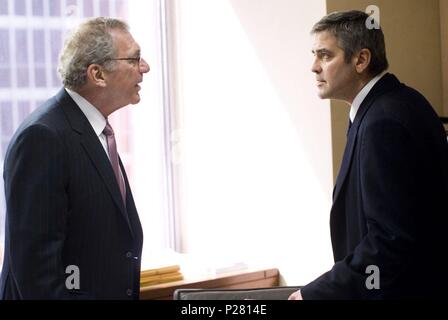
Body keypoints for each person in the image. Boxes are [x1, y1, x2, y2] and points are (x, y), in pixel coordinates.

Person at [289, 10, 448, 299]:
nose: (314, 67)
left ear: (361, 60)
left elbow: (389, 241)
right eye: (314, 55)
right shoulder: (400, 102)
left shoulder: (382, 121)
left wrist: (312, 295)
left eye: (325, 55)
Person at [0, 17, 149, 299]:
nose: (145, 68)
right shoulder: (42, 138)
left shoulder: (97, 131)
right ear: (98, 74)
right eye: (135, 59)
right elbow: (38, 280)